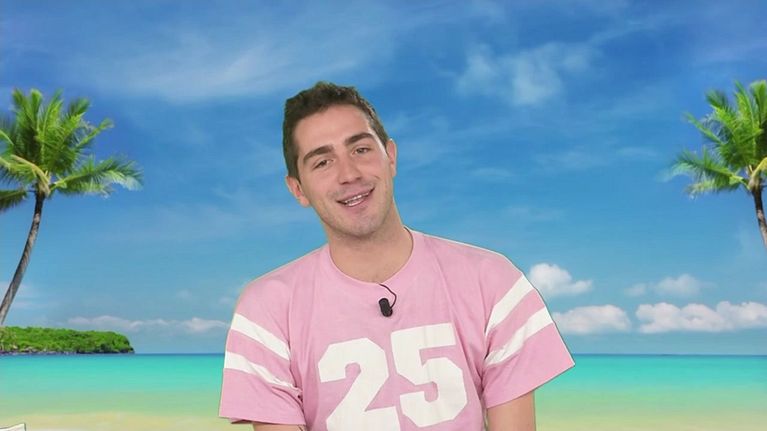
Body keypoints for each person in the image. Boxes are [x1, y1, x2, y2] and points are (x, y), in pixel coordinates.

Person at [219, 82, 574, 431]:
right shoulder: (266, 311)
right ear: (298, 189)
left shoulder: (492, 281)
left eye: (360, 149)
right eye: (323, 162)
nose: (349, 174)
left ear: (390, 156)